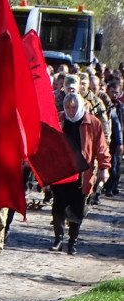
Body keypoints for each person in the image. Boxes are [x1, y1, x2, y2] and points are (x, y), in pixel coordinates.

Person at [50, 92, 110, 255]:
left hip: (82, 173)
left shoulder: (92, 122)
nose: (70, 110)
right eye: (68, 107)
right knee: (58, 206)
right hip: (61, 171)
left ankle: (72, 241)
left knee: (77, 208)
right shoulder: (59, 120)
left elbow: (101, 147)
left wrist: (104, 168)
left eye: (74, 107)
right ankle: (58, 239)